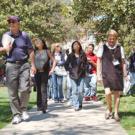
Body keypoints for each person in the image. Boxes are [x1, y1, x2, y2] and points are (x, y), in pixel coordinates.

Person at [1, 16, 36, 124]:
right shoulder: (5, 36)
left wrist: (33, 65)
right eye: (9, 22)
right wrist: (5, 49)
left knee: (25, 88)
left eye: (13, 21)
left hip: (24, 64)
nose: (11, 23)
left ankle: (24, 109)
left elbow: (30, 50)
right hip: (10, 65)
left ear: (18, 23)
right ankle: (16, 115)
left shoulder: (25, 35)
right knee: (12, 91)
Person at [97, 29, 127, 121]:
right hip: (106, 73)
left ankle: (116, 113)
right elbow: (99, 60)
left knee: (117, 94)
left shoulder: (120, 48)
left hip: (117, 73)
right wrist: (99, 74)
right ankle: (109, 108)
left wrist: (125, 73)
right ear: (107, 38)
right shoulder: (103, 47)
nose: (111, 40)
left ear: (116, 39)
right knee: (108, 93)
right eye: (110, 38)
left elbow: (123, 62)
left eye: (113, 38)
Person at [33, 38, 56, 113]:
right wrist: (32, 67)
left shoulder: (47, 51)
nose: (37, 43)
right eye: (36, 42)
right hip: (37, 73)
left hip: (44, 73)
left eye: (39, 42)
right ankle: (39, 106)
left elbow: (54, 61)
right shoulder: (34, 52)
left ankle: (44, 106)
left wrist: (52, 70)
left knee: (43, 89)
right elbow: (32, 61)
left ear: (43, 43)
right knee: (38, 89)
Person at [65, 41, 87, 111]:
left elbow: (86, 64)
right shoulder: (70, 55)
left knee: (80, 91)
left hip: (81, 75)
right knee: (74, 91)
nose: (76, 46)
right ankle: (76, 105)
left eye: (77, 45)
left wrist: (85, 69)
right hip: (72, 75)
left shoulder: (83, 54)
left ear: (79, 46)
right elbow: (66, 64)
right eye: (74, 45)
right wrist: (69, 70)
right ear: (72, 47)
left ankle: (80, 103)